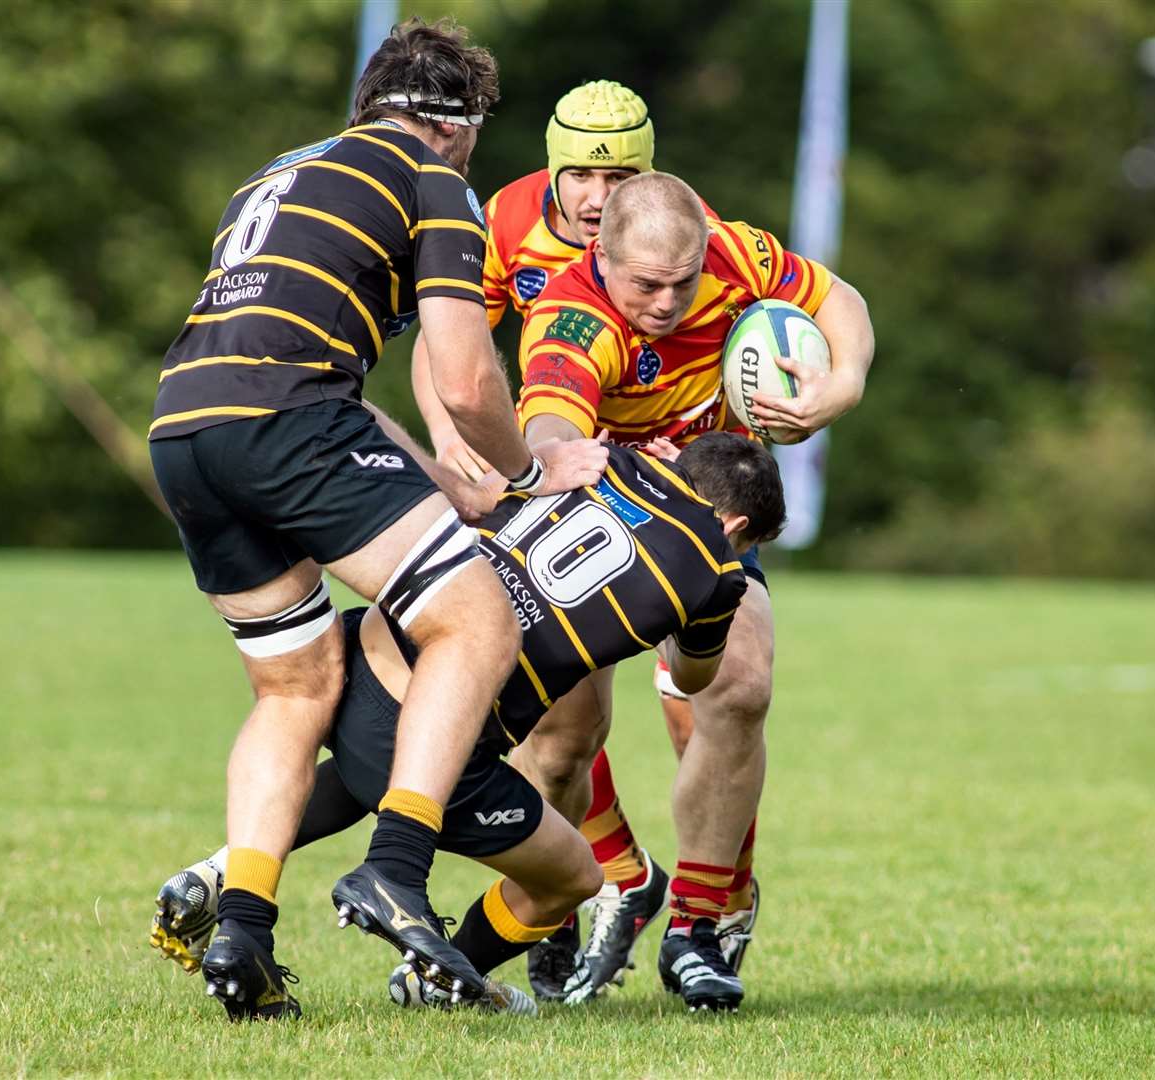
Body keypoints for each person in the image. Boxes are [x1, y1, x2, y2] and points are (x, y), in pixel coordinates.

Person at [147, 18, 607, 1021]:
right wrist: (532, 470)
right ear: (457, 126)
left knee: (294, 688)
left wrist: (458, 487)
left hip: (185, 427)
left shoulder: (279, 174)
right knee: (475, 619)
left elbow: (339, 388)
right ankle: (395, 869)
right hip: (286, 420)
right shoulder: (433, 179)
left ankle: (244, 933)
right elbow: (464, 374)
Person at [151, 432, 788, 1015]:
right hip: (439, 712)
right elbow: (693, 676)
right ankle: (438, 981)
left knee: (364, 770)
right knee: (575, 877)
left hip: (365, 644)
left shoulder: (589, 459)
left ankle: (221, 878)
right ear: (735, 525)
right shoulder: (719, 571)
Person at [515, 171, 875, 1009]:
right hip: (593, 525)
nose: (668, 301)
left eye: (683, 281)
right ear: (600, 255)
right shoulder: (571, 317)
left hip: (708, 524)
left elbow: (842, 300)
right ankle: (573, 898)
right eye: (646, 284)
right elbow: (550, 430)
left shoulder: (733, 253)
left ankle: (699, 926)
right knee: (563, 742)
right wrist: (620, 470)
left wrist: (842, 384)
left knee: (739, 689)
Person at [410, 80, 694, 1001]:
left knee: (579, 730)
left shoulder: (677, 235)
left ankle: (627, 890)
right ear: (552, 167)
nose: (598, 196)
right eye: (580, 172)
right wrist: (453, 436)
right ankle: (580, 893)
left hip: (639, 490)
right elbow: (442, 336)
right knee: (548, 722)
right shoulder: (504, 217)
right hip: (540, 477)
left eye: (620, 176)